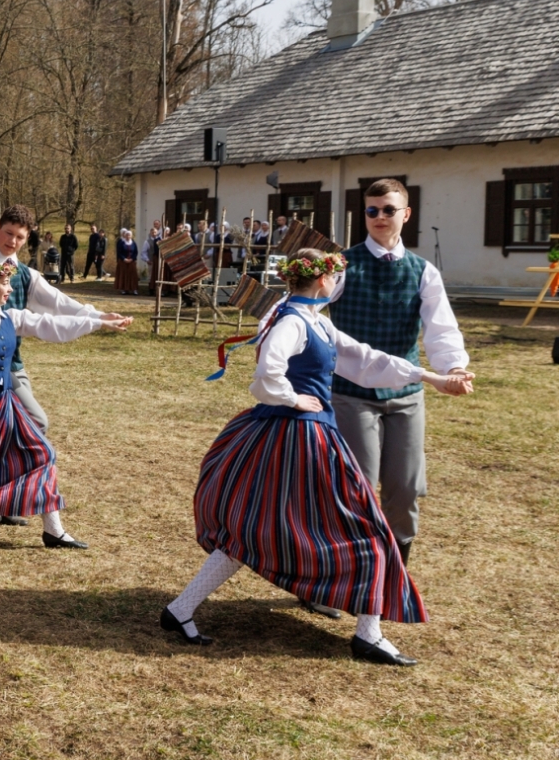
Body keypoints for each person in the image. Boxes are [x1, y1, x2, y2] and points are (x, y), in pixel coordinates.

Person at [163, 250, 470, 665]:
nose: (339, 283)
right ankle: (368, 634)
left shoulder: (314, 320)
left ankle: (180, 610)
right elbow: (266, 374)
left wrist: (431, 377)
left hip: (297, 436)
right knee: (364, 531)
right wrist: (293, 398)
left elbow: (365, 359)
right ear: (324, 281)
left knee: (254, 529)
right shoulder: (292, 321)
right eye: (336, 277)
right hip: (296, 438)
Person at [326, 178, 473, 570]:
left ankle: (394, 576)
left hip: (406, 396)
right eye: (372, 210)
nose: (379, 217)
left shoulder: (422, 271)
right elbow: (306, 307)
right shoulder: (341, 265)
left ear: (405, 214)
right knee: (356, 485)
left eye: (388, 210)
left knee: (405, 489)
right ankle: (336, 575)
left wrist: (454, 367)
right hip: (350, 392)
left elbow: (441, 328)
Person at [0, 263, 114, 544]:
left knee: (42, 453)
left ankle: (53, 531)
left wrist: (98, 320)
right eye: (4, 283)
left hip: (6, 405)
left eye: (9, 283)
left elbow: (49, 324)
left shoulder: (9, 317)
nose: (10, 289)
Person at [0, 205, 127, 489]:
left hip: (13, 364)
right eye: (8, 233)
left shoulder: (26, 275)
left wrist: (98, 316)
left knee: (29, 427)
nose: (12, 241)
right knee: (29, 425)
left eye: (20, 237)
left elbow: (59, 303)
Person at [113, 227, 139, 295]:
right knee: (124, 275)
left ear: (131, 236)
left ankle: (134, 289)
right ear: (125, 236)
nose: (128, 236)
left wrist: (132, 259)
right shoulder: (122, 243)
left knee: (132, 275)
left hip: (131, 261)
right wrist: (124, 259)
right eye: (127, 235)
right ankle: (124, 289)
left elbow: (135, 252)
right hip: (123, 261)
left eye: (129, 235)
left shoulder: (133, 243)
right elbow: (119, 252)